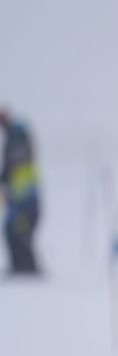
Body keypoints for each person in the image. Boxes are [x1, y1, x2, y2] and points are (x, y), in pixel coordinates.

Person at [0, 109, 41, 277]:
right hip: (19, 195)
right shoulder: (16, 135)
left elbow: (14, 162)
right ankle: (21, 266)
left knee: (19, 230)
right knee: (14, 230)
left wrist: (5, 175)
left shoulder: (17, 136)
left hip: (24, 198)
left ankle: (26, 268)